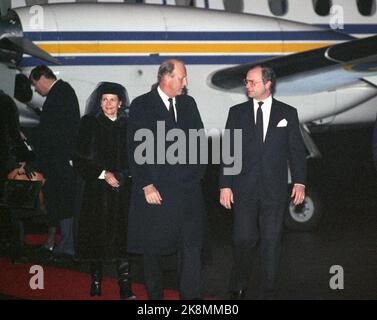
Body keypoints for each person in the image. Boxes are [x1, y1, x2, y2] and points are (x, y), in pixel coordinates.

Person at [219, 66, 306, 299]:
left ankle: (269, 288)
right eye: (246, 82)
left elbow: (296, 152)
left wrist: (300, 182)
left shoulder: (287, 113)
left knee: (271, 241)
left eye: (252, 82)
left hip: (274, 190)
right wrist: (225, 185)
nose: (247, 86)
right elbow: (229, 151)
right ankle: (238, 282)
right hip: (243, 188)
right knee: (243, 238)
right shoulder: (236, 112)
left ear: (267, 84)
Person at [127, 59, 206, 300]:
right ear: (167, 77)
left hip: (188, 191)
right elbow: (134, 147)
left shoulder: (189, 103)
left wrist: (196, 175)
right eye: (182, 77)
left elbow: (199, 142)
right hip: (157, 191)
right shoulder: (142, 105)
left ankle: (191, 299)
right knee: (154, 250)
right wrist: (146, 184)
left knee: (191, 247)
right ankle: (156, 298)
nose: (185, 83)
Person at [73, 82, 135, 299]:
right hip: (97, 192)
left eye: (113, 100)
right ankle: (96, 281)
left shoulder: (129, 126)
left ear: (120, 103)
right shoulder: (89, 123)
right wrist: (103, 173)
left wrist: (123, 175)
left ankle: (125, 285)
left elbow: (137, 158)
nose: (108, 104)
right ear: (99, 102)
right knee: (96, 238)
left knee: (123, 239)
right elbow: (79, 158)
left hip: (123, 192)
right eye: (104, 100)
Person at [28, 65, 80, 260]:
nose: (35, 89)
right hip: (61, 160)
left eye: (34, 84)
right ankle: (66, 244)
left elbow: (53, 131)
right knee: (62, 203)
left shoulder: (59, 94)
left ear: (42, 78)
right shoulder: (63, 92)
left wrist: (33, 137)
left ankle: (68, 247)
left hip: (59, 161)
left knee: (63, 203)